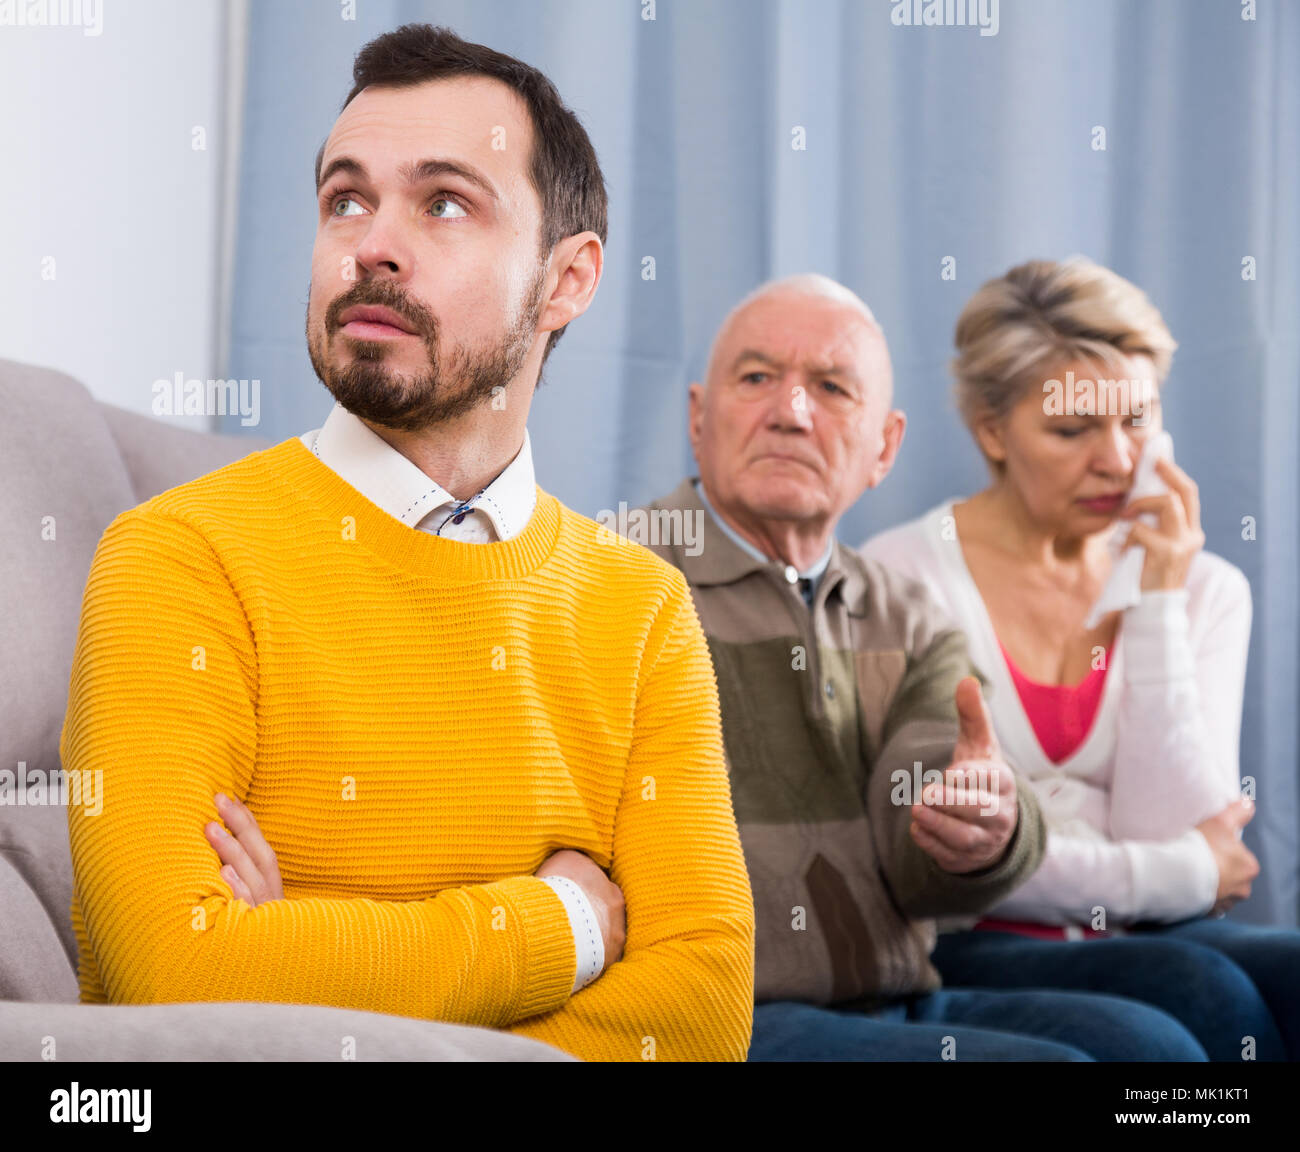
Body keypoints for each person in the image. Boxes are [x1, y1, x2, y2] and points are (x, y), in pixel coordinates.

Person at [61, 24, 755, 1063]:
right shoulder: (176, 558)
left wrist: (311, 956)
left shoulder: (642, 610)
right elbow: (184, 976)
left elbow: (700, 1016)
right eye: (346, 199)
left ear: (567, 280)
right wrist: (561, 926)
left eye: (443, 202)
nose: (370, 244)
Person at [633, 273, 1209, 1060]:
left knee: (1157, 1053)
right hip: (716, 1022)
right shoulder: (616, 584)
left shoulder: (910, 615)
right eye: (758, 377)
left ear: (885, 448)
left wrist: (988, 832)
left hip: (896, 997)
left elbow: (926, 871)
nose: (791, 413)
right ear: (699, 418)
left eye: (832, 388)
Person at [861, 256, 1299, 1061]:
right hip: (963, 938)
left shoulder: (1205, 587)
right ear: (992, 431)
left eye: (1137, 420)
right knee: (1208, 994)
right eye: (1072, 429)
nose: (1118, 461)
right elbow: (945, 853)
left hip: (1145, 933)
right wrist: (1184, 872)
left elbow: (1173, 830)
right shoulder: (901, 577)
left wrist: (1158, 602)